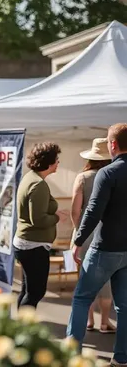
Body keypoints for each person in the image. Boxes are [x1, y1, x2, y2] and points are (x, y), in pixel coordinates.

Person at [67, 124, 127, 367]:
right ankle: (121, 358)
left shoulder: (108, 173)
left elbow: (92, 212)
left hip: (105, 248)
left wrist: (78, 241)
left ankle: (72, 356)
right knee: (124, 306)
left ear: (112, 145)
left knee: (81, 298)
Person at [69, 138, 114, 333]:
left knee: (85, 279)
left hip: (85, 235)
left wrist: (77, 231)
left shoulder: (83, 177)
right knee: (107, 280)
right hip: (108, 234)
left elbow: (75, 210)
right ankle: (105, 321)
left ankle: (89, 321)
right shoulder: (115, 174)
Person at [14, 142, 62, 309]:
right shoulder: (38, 184)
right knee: (35, 292)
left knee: (27, 290)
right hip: (34, 246)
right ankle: (24, 330)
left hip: (28, 244)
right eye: (57, 159)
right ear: (49, 162)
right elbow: (39, 220)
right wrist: (56, 217)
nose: (58, 163)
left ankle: (19, 327)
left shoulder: (31, 178)